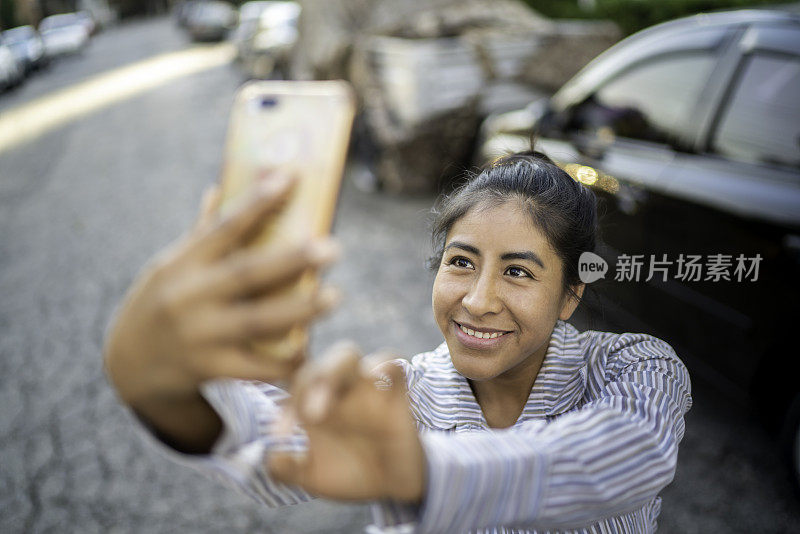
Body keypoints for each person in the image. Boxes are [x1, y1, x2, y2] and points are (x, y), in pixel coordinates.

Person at [104, 151, 692, 533]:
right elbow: (273, 442)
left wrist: (417, 471)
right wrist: (163, 387)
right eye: (461, 262)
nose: (479, 299)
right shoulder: (401, 393)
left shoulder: (635, 367)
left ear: (570, 295)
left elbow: (631, 454)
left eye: (519, 271)